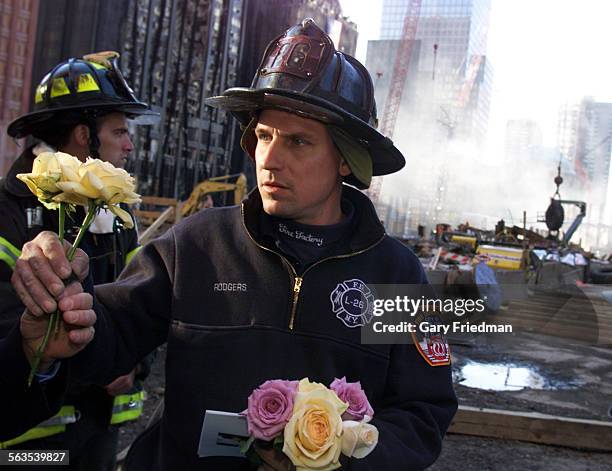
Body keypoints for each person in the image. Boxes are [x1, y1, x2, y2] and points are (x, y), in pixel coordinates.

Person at [8, 20, 457, 470]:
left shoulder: (395, 275)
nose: (270, 159)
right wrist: (46, 338)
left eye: (299, 142)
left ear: (345, 159)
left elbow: (423, 412)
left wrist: (345, 459)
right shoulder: (196, 246)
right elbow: (106, 332)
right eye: (264, 136)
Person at [0, 52, 154, 470]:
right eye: (119, 131)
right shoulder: (10, 212)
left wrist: (134, 364)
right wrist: (96, 362)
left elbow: (142, 307)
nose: (129, 145)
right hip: (33, 443)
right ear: (84, 135)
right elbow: (8, 329)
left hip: (99, 431)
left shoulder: (115, 217)